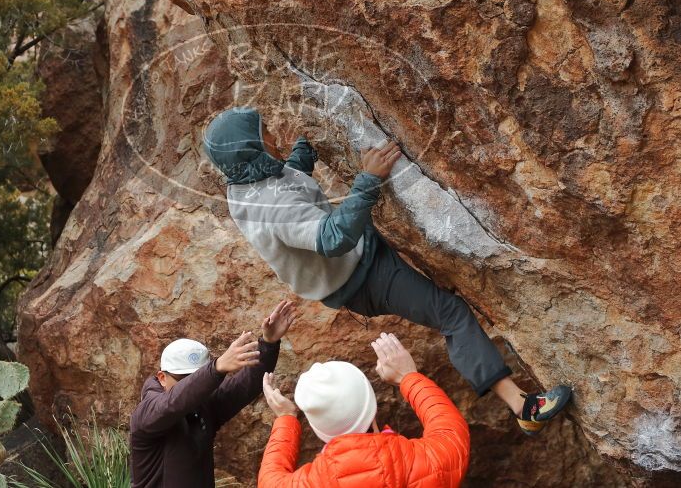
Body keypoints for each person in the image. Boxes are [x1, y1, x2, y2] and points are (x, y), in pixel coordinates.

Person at [203, 107, 571, 435]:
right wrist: (369, 179)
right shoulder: (273, 207)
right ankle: (523, 407)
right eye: (263, 133)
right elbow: (332, 238)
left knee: (445, 290)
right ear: (251, 149)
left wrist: (302, 152)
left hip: (361, 258)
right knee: (451, 313)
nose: (271, 135)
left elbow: (286, 184)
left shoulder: (243, 183)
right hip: (363, 278)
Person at [259, 332, 470, 487]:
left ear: (318, 430)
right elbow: (451, 432)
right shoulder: (420, 462)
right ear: (373, 407)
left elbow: (270, 481)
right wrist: (408, 377)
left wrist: (285, 418)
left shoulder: (312, 482)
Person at [129, 300, 297, 488]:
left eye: (196, 376)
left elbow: (244, 386)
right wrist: (215, 369)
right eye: (183, 377)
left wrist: (268, 344)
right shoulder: (147, 413)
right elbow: (172, 404)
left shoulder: (205, 405)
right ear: (161, 377)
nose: (191, 383)